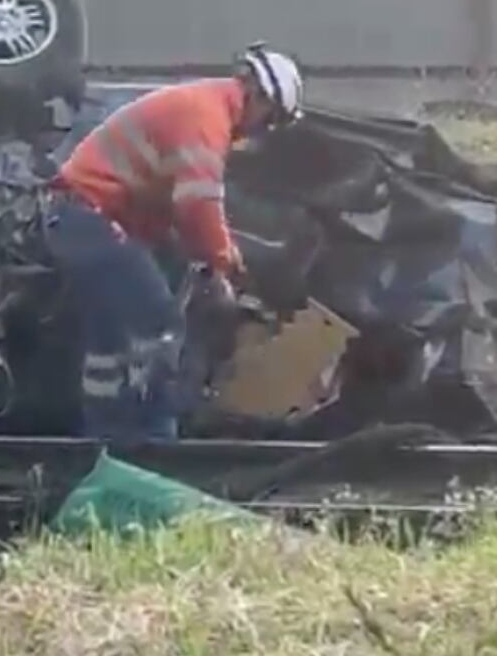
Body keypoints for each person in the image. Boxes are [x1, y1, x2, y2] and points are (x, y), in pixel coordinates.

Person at [45, 43, 304, 442]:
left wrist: (200, 262)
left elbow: (170, 209)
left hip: (80, 217)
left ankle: (102, 434)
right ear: (259, 96)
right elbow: (197, 203)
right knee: (158, 320)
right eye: (269, 120)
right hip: (91, 218)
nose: (260, 130)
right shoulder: (206, 116)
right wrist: (225, 264)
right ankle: (153, 435)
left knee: (109, 337)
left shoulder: (202, 104)